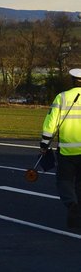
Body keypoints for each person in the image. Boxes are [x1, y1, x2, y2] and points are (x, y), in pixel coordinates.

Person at [40, 67, 81, 229]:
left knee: (64, 181)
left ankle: (71, 204)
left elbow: (51, 123)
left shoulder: (62, 98)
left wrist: (44, 143)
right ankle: (77, 216)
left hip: (67, 151)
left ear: (72, 81)